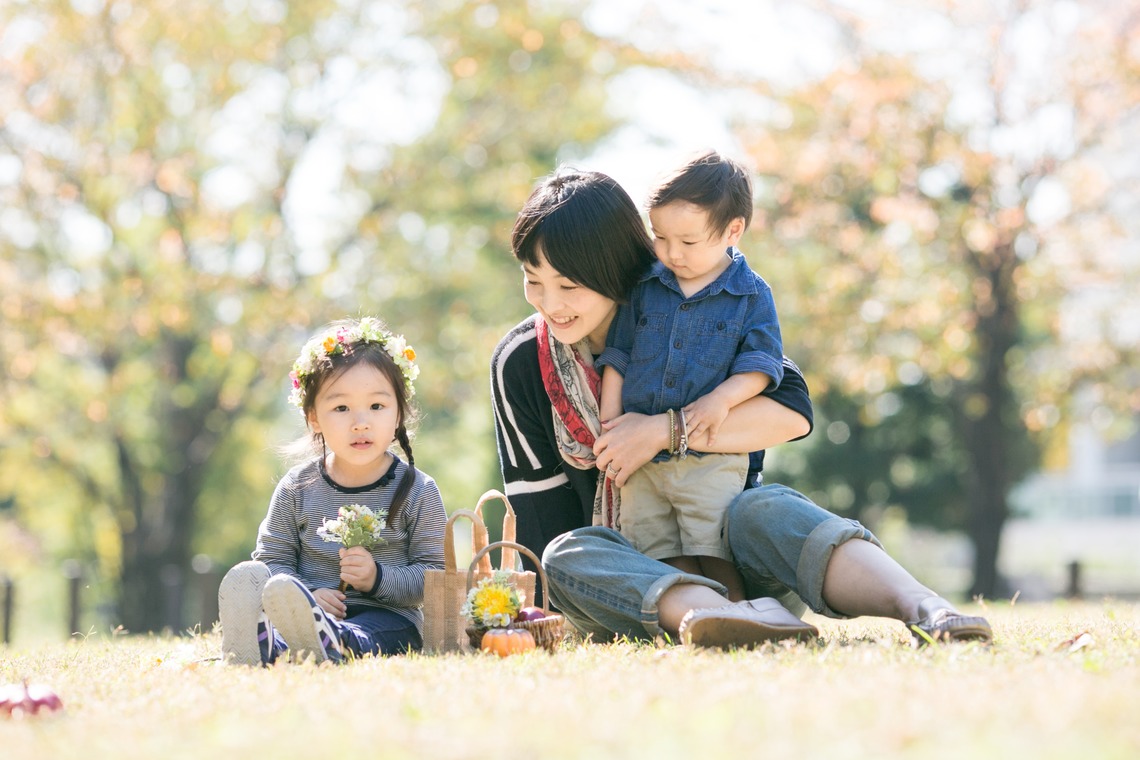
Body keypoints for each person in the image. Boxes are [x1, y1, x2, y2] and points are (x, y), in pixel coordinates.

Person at [490, 168, 993, 649]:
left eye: (569, 286)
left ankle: (927, 609)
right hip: (624, 588)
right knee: (565, 553)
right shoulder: (521, 362)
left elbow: (792, 407)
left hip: (731, 555)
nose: (549, 304)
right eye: (533, 281)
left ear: (615, 270)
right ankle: (721, 615)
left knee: (763, 507)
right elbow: (541, 527)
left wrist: (664, 432)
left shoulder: (688, 309)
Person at [596, 151, 784, 601]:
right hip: (642, 455)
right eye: (660, 237)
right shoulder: (646, 285)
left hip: (710, 453)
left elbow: (762, 365)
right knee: (658, 545)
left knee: (712, 542)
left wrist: (721, 399)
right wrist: (609, 420)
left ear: (732, 230)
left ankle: (742, 612)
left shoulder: (750, 295)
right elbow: (618, 354)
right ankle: (693, 613)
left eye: (688, 241)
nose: (671, 253)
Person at [219, 317, 446, 665]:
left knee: (371, 635)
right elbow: (272, 560)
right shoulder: (297, 488)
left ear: (399, 412)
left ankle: (326, 642)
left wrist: (377, 577)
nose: (360, 422)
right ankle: (265, 642)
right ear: (314, 417)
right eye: (341, 408)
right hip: (305, 615)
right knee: (286, 618)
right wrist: (307, 595)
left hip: (389, 619)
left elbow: (435, 579)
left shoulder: (418, 490)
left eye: (377, 406)